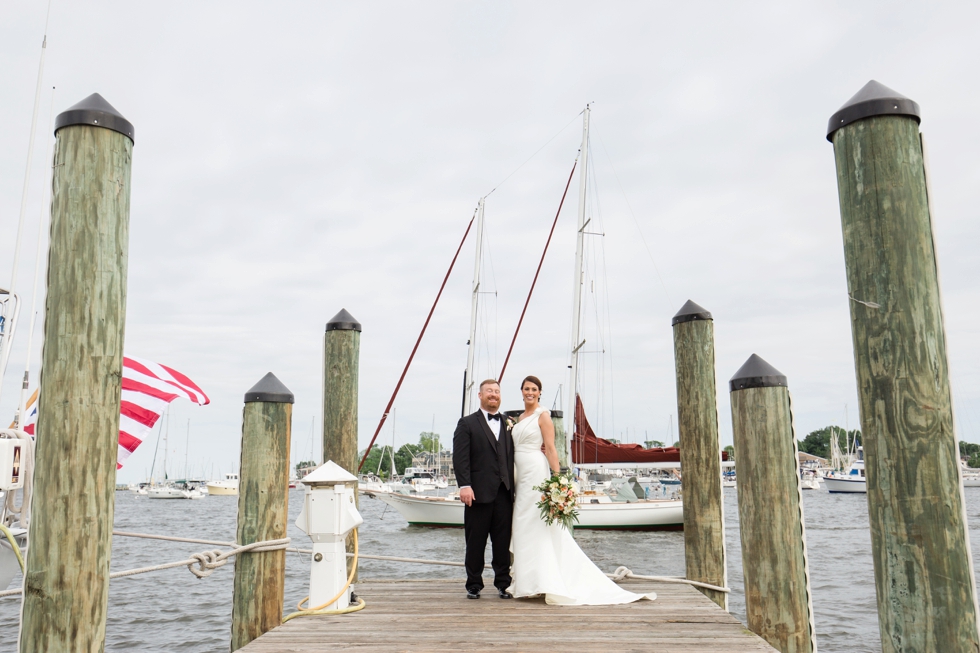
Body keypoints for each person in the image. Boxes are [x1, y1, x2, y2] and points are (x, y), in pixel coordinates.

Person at [508, 375, 656, 605]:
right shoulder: (520, 418)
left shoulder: (543, 416)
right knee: (521, 524)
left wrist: (557, 479)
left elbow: (550, 449)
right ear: (521, 391)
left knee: (536, 523)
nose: (529, 392)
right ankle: (528, 582)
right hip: (519, 474)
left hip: (536, 471)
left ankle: (544, 581)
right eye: (526, 388)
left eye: (534, 389)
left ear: (539, 393)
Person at [453, 379, 515, 600]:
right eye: (489, 391)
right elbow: (460, 458)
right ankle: (474, 584)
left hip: (505, 493)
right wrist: (465, 485)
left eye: (497, 391)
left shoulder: (509, 422)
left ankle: (503, 584)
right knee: (476, 542)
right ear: (480, 395)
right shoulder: (467, 423)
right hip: (477, 493)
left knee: (502, 542)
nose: (494, 395)